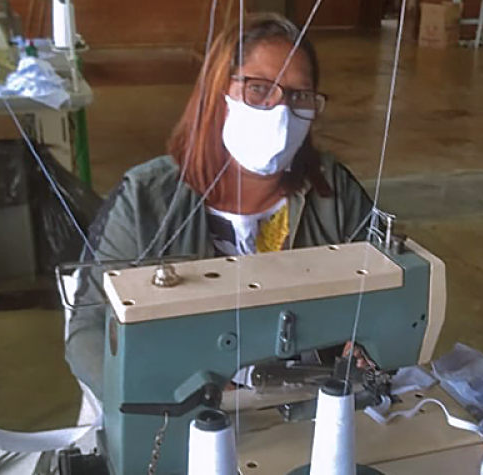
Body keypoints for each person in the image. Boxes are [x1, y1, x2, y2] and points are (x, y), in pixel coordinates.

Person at [66, 14, 374, 400]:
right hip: (184, 413)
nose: (280, 111)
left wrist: (368, 347)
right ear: (217, 91)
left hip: (309, 402)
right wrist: (165, 394)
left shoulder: (332, 192)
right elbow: (88, 331)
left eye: (299, 96)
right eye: (259, 88)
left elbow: (385, 297)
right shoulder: (145, 200)